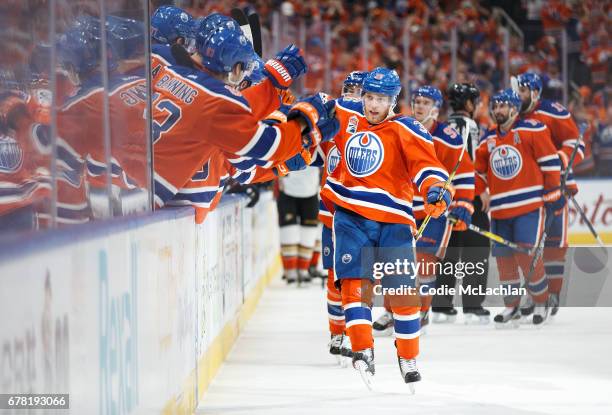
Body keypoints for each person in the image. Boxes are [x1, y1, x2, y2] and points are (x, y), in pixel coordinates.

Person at [320, 68, 452, 389]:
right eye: (369, 97)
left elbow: (428, 166)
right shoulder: (346, 115)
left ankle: (408, 355)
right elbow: (311, 113)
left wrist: (435, 189)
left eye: (381, 99)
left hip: (394, 219)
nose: (373, 104)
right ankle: (362, 348)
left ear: (392, 101)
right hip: (351, 214)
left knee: (403, 291)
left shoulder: (407, 128)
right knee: (354, 282)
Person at [151, 19, 338, 216]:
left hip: (144, 198)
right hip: (172, 212)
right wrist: (305, 120)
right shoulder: (217, 100)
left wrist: (280, 165)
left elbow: (242, 167)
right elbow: (264, 146)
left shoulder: (166, 70)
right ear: (234, 68)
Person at [372, 85, 474, 334]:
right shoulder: (403, 128)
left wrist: (463, 205)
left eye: (425, 103)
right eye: (417, 101)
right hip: (404, 209)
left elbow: (465, 173)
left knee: (424, 263)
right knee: (393, 263)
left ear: (436, 109)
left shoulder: (448, 137)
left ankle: (422, 312)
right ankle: (391, 310)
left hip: (435, 211)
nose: (419, 106)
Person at [474, 89, 563, 326]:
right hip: (500, 210)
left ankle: (542, 301)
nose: (498, 110)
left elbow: (551, 163)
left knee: (526, 255)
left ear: (514, 109)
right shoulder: (487, 138)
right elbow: (477, 171)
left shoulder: (532, 129)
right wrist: (481, 189)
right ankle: (511, 305)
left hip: (529, 207)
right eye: (495, 106)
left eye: (503, 106)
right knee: (504, 260)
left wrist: (553, 193)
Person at [515, 72, 582, 317]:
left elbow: (576, 144)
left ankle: (552, 294)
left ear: (534, 92)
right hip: (526, 190)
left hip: (555, 186)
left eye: (522, 91)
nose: (518, 95)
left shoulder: (554, 111)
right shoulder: (514, 115)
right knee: (526, 244)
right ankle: (535, 294)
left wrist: (559, 162)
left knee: (554, 244)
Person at [431, 82, 491, 323]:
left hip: (446, 196)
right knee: (477, 249)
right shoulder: (469, 126)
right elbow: (469, 164)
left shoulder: (444, 127)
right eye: (475, 102)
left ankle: (441, 305)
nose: (476, 107)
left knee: (450, 249)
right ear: (468, 104)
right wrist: (480, 191)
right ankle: (473, 306)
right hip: (468, 197)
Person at [320, 70, 366, 364]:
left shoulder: (376, 128)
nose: (349, 95)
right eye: (346, 89)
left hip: (360, 217)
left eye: (356, 90)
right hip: (330, 215)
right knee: (333, 279)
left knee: (357, 279)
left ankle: (356, 333)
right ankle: (337, 334)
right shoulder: (330, 127)